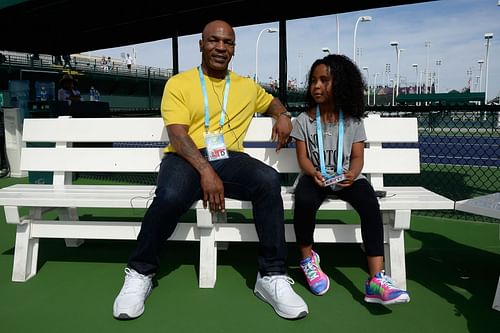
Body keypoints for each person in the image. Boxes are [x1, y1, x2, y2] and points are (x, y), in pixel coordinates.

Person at [112, 19, 308, 320]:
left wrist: (283, 114)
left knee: (268, 180)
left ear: (233, 49)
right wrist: (206, 171)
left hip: (229, 157)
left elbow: (271, 102)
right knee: (170, 195)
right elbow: (178, 135)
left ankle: (271, 276)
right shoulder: (179, 83)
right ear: (201, 44)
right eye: (214, 41)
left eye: (227, 42)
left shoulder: (246, 86)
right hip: (185, 156)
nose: (220, 47)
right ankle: (140, 273)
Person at [290, 54, 410, 305]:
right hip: (315, 176)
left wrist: (352, 174)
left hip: (347, 177)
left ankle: (376, 279)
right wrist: (313, 172)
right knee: (303, 200)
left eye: (324, 80)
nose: (317, 86)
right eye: (313, 80)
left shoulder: (353, 121)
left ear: (341, 84)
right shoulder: (304, 120)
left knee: (369, 203)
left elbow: (357, 158)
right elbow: (302, 157)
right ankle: (307, 259)